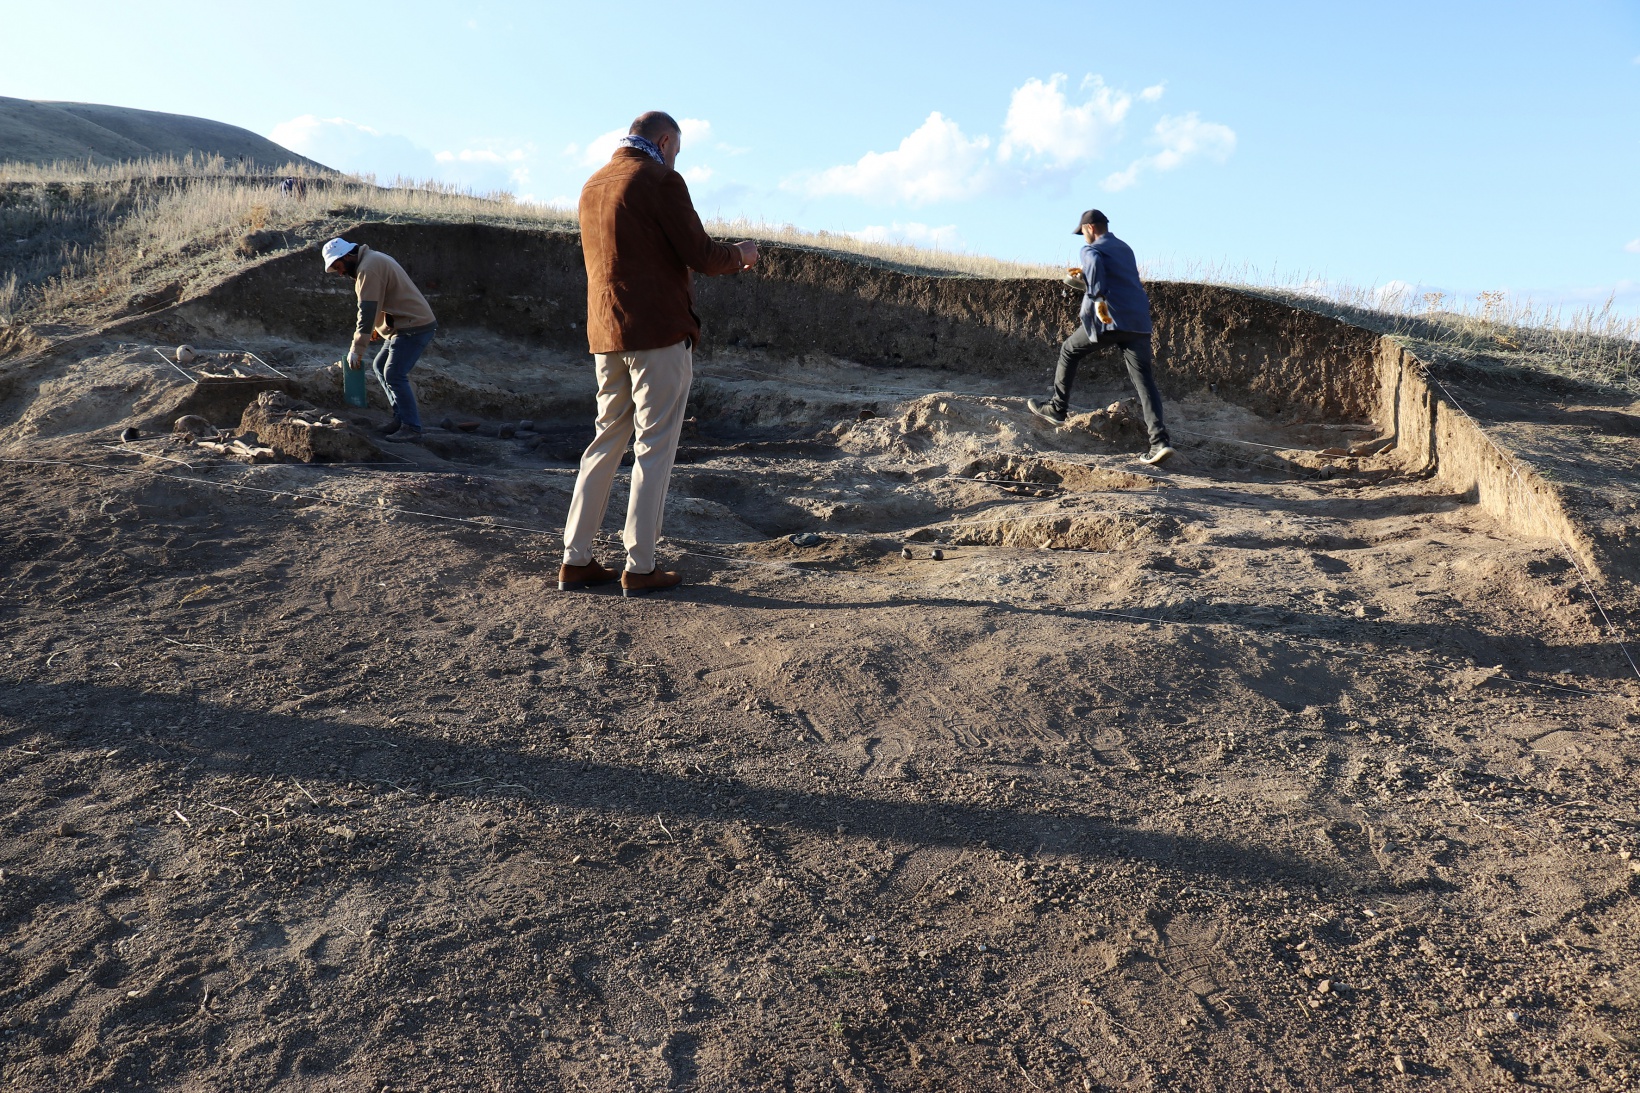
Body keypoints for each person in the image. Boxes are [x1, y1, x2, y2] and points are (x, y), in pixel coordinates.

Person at [558, 111, 759, 597]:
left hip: (606, 334)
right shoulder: (660, 179)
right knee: (654, 446)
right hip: (658, 333)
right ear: (665, 141)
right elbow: (702, 255)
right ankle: (640, 565)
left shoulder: (592, 185)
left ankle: (575, 558)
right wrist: (742, 255)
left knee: (604, 442)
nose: (675, 160)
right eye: (676, 151)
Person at [1028, 209, 1175, 466]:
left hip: (1110, 318)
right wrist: (1085, 280)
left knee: (1069, 350)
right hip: (1138, 321)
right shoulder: (1125, 248)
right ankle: (1159, 443)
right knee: (1144, 382)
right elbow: (1115, 278)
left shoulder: (1091, 249)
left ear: (1090, 228)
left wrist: (1096, 295)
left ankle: (1056, 409)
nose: (1083, 237)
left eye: (1083, 232)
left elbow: (1095, 265)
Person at [321, 237, 438, 442]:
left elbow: (367, 312)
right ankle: (400, 418)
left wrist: (357, 349)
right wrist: (377, 328)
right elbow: (381, 300)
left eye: (338, 267)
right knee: (380, 365)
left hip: (413, 326)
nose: (340, 273)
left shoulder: (369, 268)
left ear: (347, 256)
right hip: (404, 324)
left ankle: (411, 427)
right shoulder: (371, 260)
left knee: (394, 373)